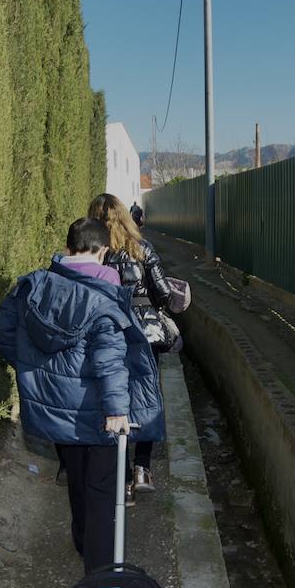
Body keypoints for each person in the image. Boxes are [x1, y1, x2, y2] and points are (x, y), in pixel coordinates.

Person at [0, 217, 165, 572]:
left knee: (77, 481)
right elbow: (110, 361)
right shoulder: (104, 297)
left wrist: (33, 370)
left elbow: (2, 328)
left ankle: (84, 543)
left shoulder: (34, 285)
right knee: (103, 490)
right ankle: (100, 571)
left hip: (59, 411)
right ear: (102, 252)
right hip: (99, 410)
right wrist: (117, 411)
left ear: (67, 248)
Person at [88, 192, 174, 499]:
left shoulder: (95, 254)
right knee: (147, 396)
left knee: (115, 401)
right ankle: (142, 469)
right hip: (145, 334)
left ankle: (123, 480)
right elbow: (163, 293)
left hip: (110, 333)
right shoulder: (142, 248)